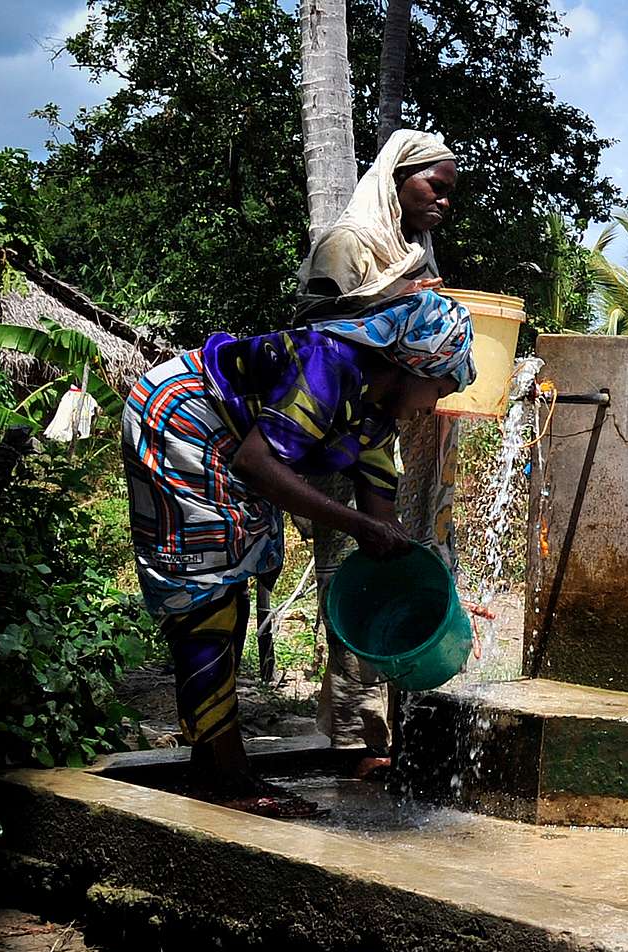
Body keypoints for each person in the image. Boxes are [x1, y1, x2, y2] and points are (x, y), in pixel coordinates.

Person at [122, 291, 474, 816]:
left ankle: (212, 761)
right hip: (181, 420)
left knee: (230, 575)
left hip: (226, 443)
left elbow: (383, 517)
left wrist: (428, 589)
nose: (434, 405)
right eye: (439, 389)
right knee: (208, 591)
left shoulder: (375, 416)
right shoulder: (327, 365)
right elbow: (257, 462)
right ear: (411, 365)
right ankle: (228, 775)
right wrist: (356, 525)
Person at [295, 130, 461, 772]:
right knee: (349, 572)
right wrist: (404, 301)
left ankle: (384, 733)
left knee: (393, 564)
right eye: (434, 188)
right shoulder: (348, 243)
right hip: (328, 428)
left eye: (449, 193)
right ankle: (351, 742)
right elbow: (316, 329)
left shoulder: (411, 249)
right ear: (397, 178)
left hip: (385, 432)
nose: (443, 202)